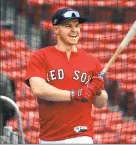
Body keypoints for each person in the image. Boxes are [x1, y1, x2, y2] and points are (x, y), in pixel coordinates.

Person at [24, 8, 108, 144]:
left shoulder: (92, 61)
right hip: (49, 137)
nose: (74, 30)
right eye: (68, 26)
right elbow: (38, 89)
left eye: (77, 26)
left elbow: (100, 103)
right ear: (56, 29)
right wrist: (74, 94)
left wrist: (97, 90)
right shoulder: (41, 56)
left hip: (82, 135)